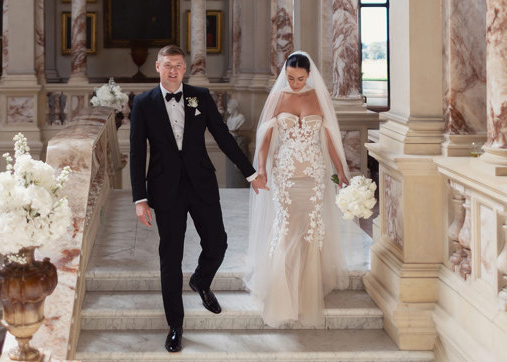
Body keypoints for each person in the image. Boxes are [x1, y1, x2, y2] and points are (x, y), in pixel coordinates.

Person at [130, 45, 267, 353]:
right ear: (158, 66)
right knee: (171, 257)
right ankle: (175, 325)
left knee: (218, 242)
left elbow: (223, 137)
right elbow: (138, 153)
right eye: (168, 65)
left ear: (185, 68)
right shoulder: (143, 103)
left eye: (178, 65)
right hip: (165, 190)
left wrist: (251, 174)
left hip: (202, 183)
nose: (173, 70)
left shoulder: (199, 97)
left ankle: (202, 281)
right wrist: (139, 198)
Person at [244, 51, 350, 327]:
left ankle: (304, 296)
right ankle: (282, 298)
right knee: (288, 228)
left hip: (314, 175)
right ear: (285, 73)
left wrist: (340, 170)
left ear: (309, 75)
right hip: (286, 174)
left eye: (300, 78)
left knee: (309, 230)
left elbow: (328, 138)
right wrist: (263, 170)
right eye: (290, 77)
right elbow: (265, 137)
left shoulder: (318, 98)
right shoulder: (279, 97)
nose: (295, 83)